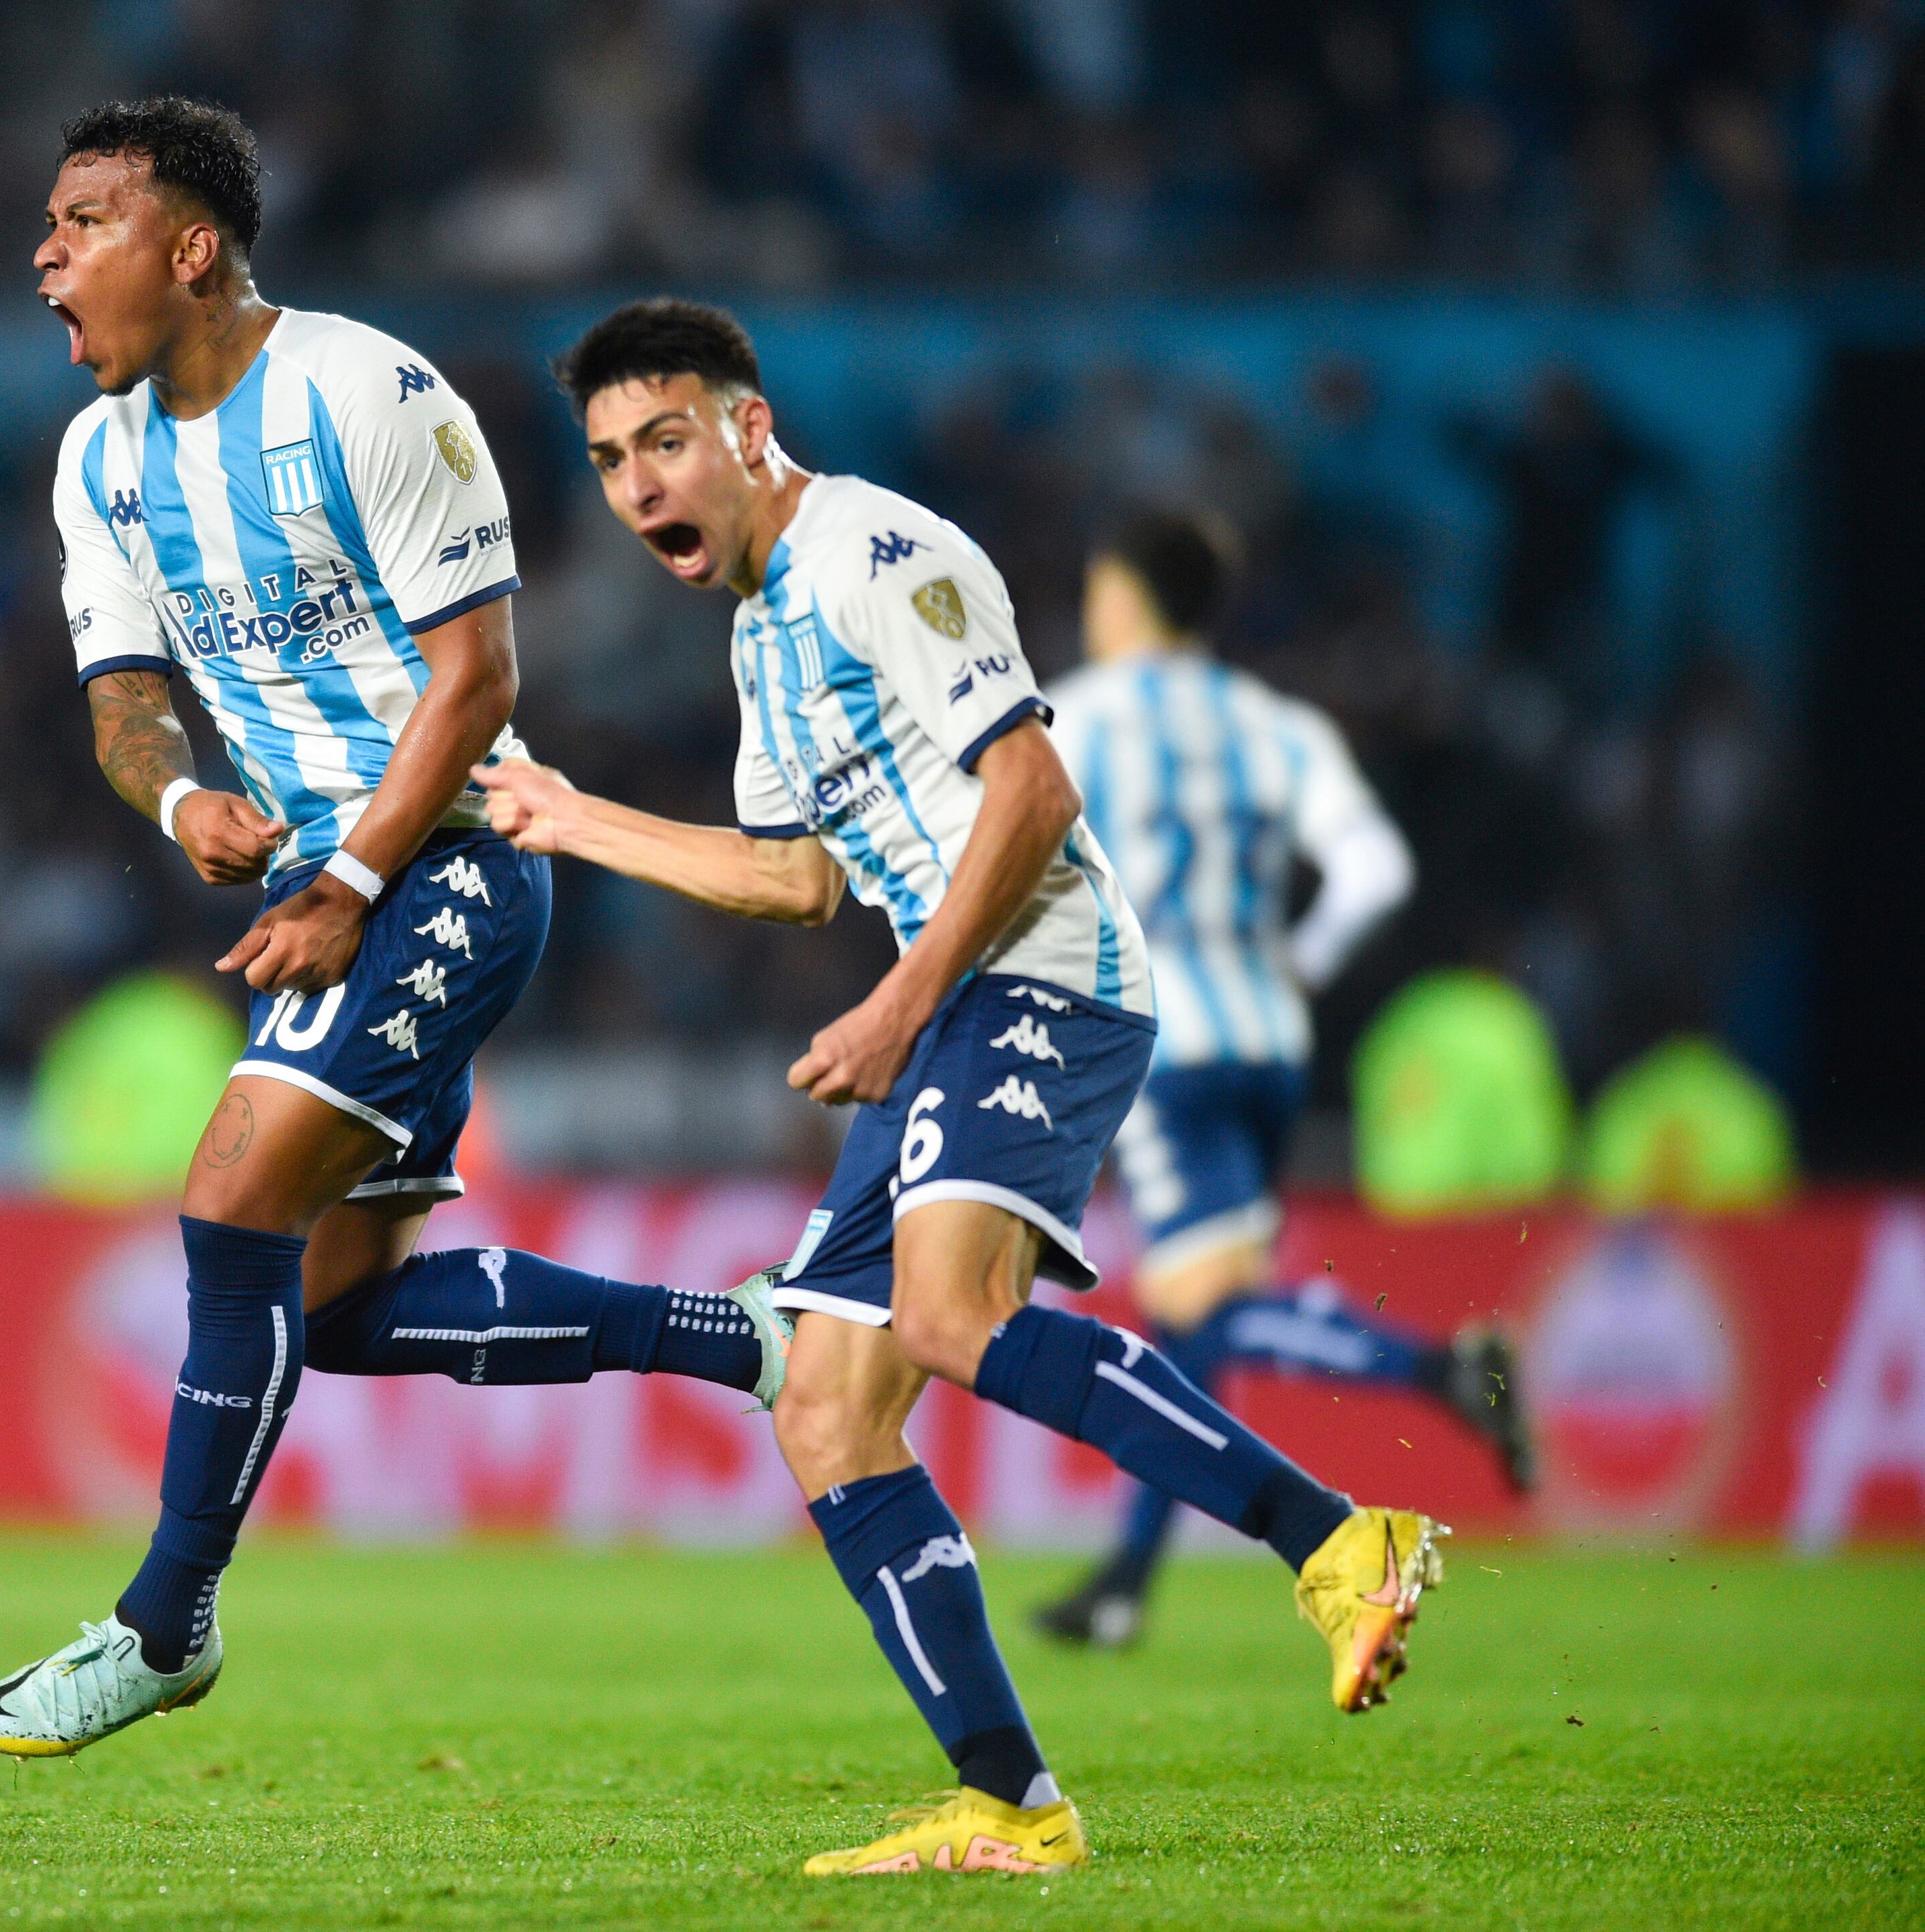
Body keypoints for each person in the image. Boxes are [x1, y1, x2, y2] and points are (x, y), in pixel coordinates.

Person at [477, 300, 1445, 1881]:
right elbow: (795, 876)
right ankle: (1012, 1801)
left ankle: (1337, 1539)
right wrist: (574, 819)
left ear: (748, 427)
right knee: (825, 1409)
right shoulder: (760, 631)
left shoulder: (877, 558)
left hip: (1038, 973)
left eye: (664, 440)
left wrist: (898, 998)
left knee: (942, 1316)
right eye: (607, 462)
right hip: (943, 1007)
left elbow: (1032, 784)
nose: (641, 485)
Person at [0, 104, 787, 1760]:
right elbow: (123, 694)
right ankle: (747, 1335)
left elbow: (478, 680)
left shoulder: (369, 395)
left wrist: (348, 881)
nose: (46, 252)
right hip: (312, 886)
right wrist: (179, 802)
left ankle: (162, 1626)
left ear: (190, 246)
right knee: (327, 1311)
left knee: (229, 1195)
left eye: (84, 219)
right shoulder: (99, 459)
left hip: (455, 854)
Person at [1034, 513, 1534, 1649]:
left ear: (1119, 595)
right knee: (1187, 1330)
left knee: (1203, 1307)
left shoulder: (1078, 716)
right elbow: (1374, 867)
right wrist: (1295, 963)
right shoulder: (1280, 723)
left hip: (1161, 1043)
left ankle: (1441, 1369)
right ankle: (1123, 1585)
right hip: (1269, 1041)